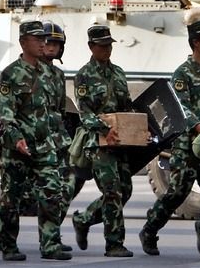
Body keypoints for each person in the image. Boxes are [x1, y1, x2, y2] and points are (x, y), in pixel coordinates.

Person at [139, 20, 200, 256]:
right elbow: (181, 108)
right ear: (196, 43)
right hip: (187, 146)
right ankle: (149, 230)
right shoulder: (182, 74)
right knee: (176, 193)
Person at [0, 21, 70, 261]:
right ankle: (8, 245)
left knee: (52, 192)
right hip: (17, 148)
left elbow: (55, 110)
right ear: (23, 42)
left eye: (43, 39)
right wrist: (17, 139)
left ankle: (50, 245)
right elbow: (6, 114)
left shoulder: (49, 73)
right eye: (37, 39)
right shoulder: (10, 74)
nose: (42, 43)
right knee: (11, 199)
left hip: (44, 145)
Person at [72, 25, 135, 257]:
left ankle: (84, 219)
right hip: (98, 143)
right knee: (112, 191)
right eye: (102, 46)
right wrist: (104, 129)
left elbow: (127, 107)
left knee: (125, 190)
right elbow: (85, 112)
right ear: (91, 47)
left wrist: (137, 129)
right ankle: (114, 243)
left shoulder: (119, 73)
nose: (107, 49)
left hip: (121, 142)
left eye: (109, 45)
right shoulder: (83, 76)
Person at [40, 21, 74, 251]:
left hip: (56, 140)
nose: (52, 47)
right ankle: (4, 236)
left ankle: (51, 238)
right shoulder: (25, 71)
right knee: (16, 196)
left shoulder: (58, 75)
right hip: (32, 141)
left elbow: (60, 109)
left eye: (56, 43)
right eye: (47, 42)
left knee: (63, 189)